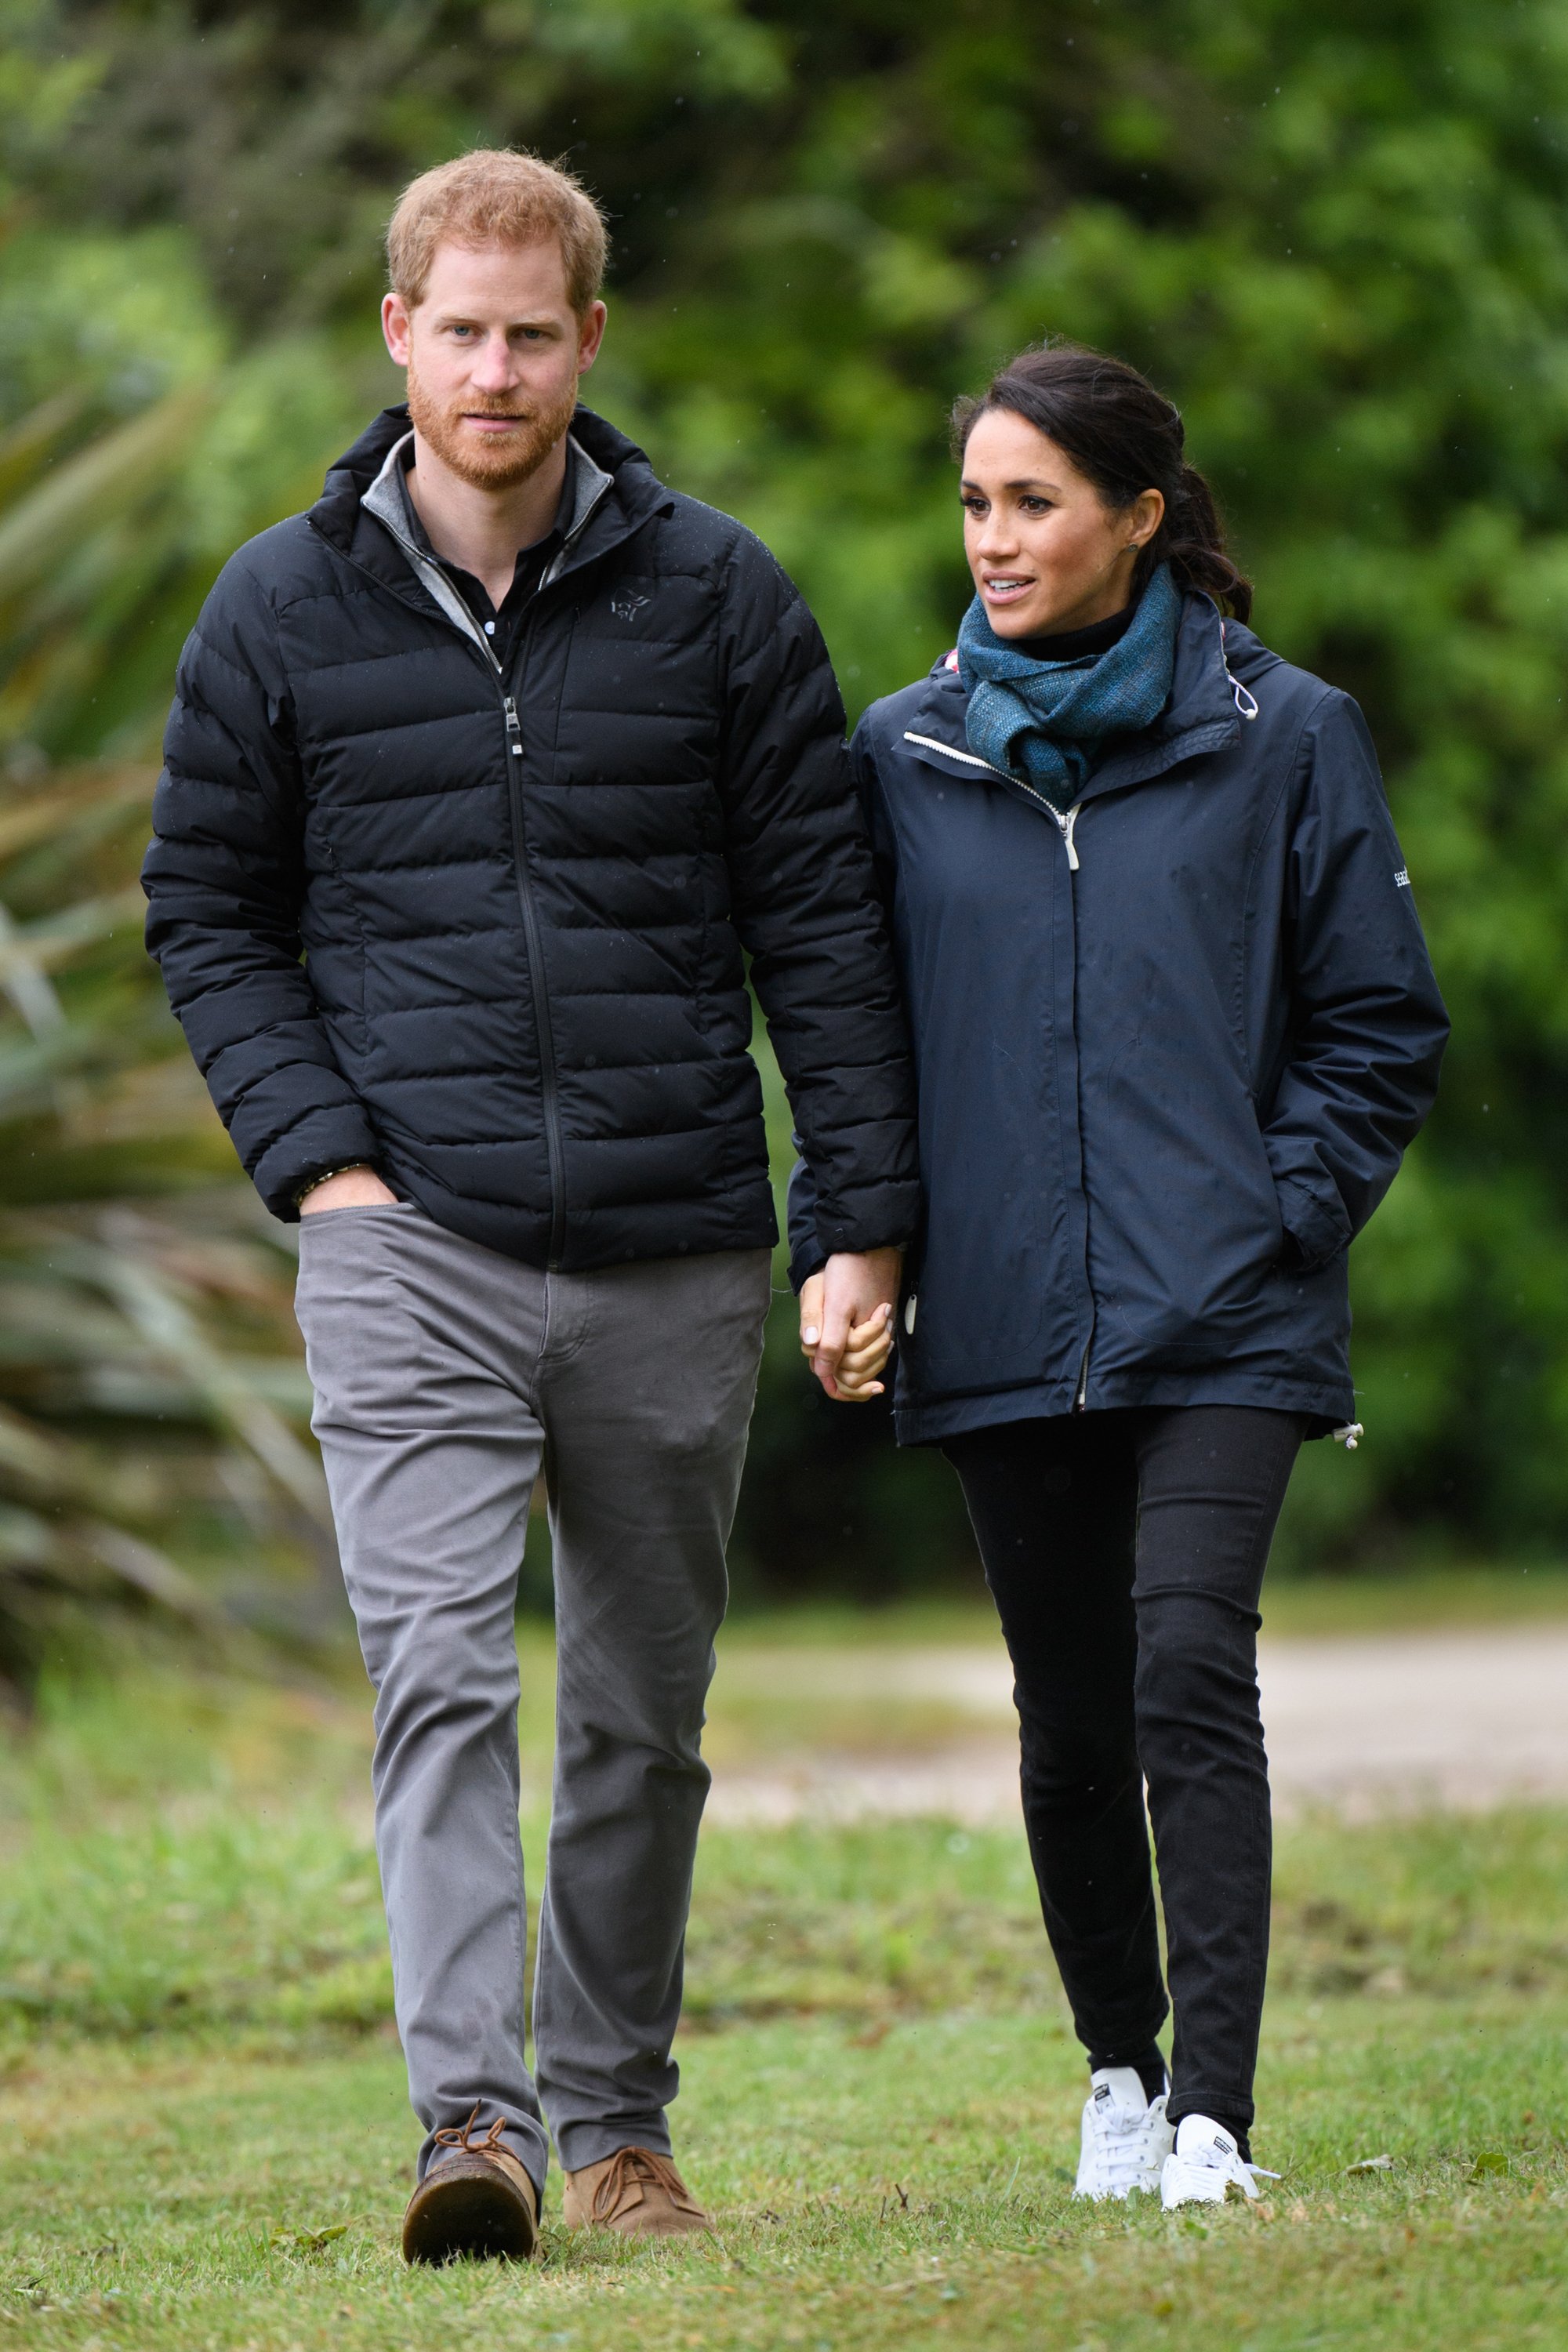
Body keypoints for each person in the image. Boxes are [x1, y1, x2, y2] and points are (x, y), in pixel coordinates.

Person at [142, 147, 917, 2264]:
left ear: (591, 338)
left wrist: (861, 1213)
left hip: (673, 1238)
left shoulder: (721, 596)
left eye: (529, 332)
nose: (492, 369)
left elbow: (824, 929)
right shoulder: (277, 608)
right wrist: (326, 1162)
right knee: (443, 1687)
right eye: (456, 330)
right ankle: (468, 2130)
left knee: (644, 1719)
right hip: (412, 1244)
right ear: (396, 334)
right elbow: (205, 910)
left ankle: (622, 2128)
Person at [791, 342, 1448, 2209]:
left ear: (1139, 518)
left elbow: (1378, 1024)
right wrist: (850, 1245)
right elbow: (856, 1041)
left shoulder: (1285, 733)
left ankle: (1217, 2121)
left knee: (1184, 1669)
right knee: (1069, 1721)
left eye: (1035, 504)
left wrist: (1278, 1211)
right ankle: (1119, 2077)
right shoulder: (902, 756)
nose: (993, 540)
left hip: (1222, 1305)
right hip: (998, 1310)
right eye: (976, 504)